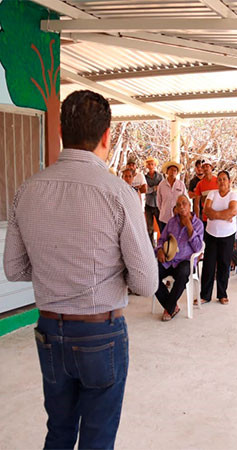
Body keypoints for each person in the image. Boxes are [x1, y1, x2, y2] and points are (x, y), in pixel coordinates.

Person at [3, 89, 158, 448]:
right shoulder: (119, 193)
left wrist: (53, 272)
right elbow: (148, 282)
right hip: (100, 333)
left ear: (60, 131)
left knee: (58, 432)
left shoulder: (27, 190)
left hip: (48, 330)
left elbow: (13, 269)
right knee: (97, 439)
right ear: (106, 135)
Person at [154, 195, 204, 321]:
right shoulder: (172, 222)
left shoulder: (198, 224)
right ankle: (172, 306)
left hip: (185, 261)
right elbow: (162, 239)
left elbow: (198, 248)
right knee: (151, 274)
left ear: (189, 205)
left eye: (184, 204)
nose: (181, 207)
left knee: (183, 273)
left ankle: (169, 308)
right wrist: (160, 249)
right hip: (169, 260)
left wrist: (189, 227)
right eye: (178, 205)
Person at [200, 170, 237, 304]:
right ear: (217, 182)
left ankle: (222, 294)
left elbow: (233, 211)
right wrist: (224, 215)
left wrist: (214, 215)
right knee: (208, 265)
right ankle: (205, 295)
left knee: (224, 264)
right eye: (220, 179)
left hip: (227, 235)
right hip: (211, 234)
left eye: (224, 179)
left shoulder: (233, 195)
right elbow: (206, 210)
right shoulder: (212, 193)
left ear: (229, 181)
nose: (222, 182)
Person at [156, 160, 186, 232]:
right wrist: (164, 209)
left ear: (177, 172)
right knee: (165, 240)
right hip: (164, 218)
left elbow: (185, 200)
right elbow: (159, 201)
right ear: (167, 171)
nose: (173, 172)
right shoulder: (161, 185)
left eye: (175, 170)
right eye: (171, 170)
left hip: (178, 218)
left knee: (176, 240)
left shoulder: (181, 185)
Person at [142, 156, 164, 247]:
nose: (150, 166)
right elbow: (145, 190)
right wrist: (154, 188)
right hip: (148, 204)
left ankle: (162, 246)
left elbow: (162, 189)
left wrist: (152, 189)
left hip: (158, 205)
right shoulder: (144, 177)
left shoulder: (160, 176)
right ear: (146, 166)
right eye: (149, 164)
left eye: (152, 164)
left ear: (155, 165)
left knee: (161, 227)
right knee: (149, 228)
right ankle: (151, 247)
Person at [193, 160, 218, 225]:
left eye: (207, 166)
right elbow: (196, 204)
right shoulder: (200, 184)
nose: (205, 168)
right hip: (205, 218)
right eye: (203, 167)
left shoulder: (218, 181)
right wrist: (197, 219)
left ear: (211, 168)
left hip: (218, 216)